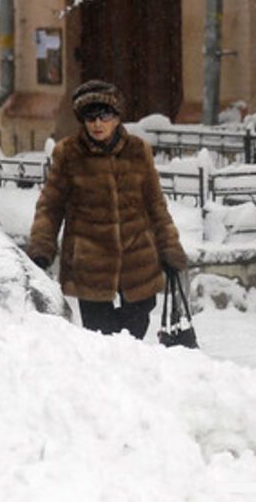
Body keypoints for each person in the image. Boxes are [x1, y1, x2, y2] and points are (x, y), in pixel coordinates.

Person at [26, 79, 187, 339]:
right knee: (101, 339)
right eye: (90, 118)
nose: (98, 124)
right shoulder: (68, 154)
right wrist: (41, 249)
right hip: (90, 264)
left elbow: (156, 205)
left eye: (105, 116)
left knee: (134, 334)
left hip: (137, 262)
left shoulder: (138, 151)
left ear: (116, 117)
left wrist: (169, 249)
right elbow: (50, 207)